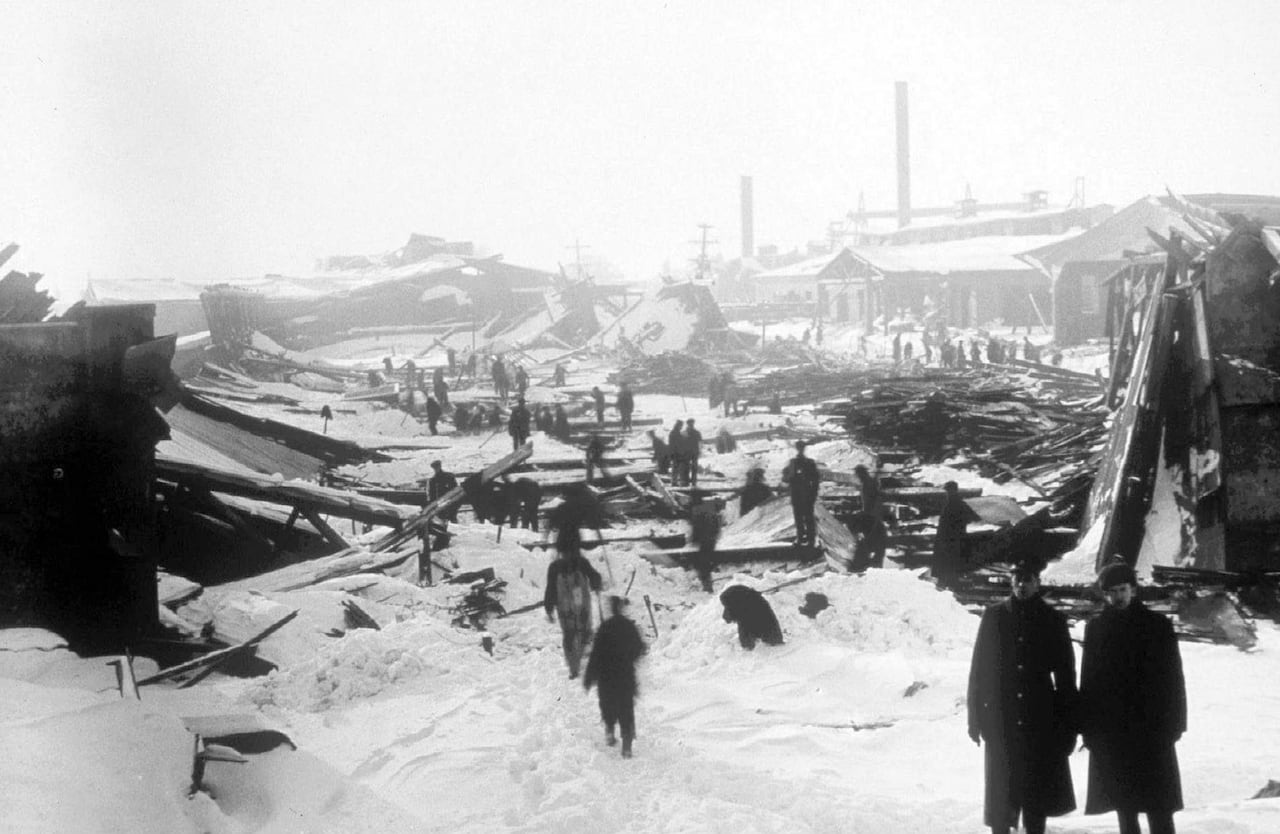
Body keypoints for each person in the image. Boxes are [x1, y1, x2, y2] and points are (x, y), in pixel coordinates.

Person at [967, 561, 1077, 834]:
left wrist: (1069, 726)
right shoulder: (994, 617)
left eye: (1027, 579)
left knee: (1034, 799)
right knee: (1001, 799)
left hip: (1039, 720)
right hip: (1000, 718)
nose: (1021, 585)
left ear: (1037, 582)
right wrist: (975, 717)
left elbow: (1065, 677)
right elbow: (979, 669)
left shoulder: (1052, 620)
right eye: (1017, 579)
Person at [1079, 561, 1186, 834]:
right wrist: (1089, 730)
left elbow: (1174, 678)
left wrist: (1175, 724)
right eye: (1112, 592)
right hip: (1115, 734)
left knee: (1159, 808)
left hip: (1152, 731)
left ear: (1134, 589)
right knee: (1125, 810)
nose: (1118, 597)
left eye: (1123, 590)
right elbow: (1089, 681)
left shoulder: (1157, 625)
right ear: (1105, 594)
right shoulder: (1097, 628)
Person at [583, 596, 647, 758]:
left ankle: (610, 731)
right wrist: (629, 659)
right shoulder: (629, 626)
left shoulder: (604, 627)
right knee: (626, 709)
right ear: (622, 608)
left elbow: (595, 655)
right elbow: (640, 648)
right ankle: (626, 746)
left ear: (611, 609)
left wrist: (589, 677)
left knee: (607, 705)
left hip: (606, 677)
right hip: (625, 675)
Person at [543, 545, 603, 680]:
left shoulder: (575, 564)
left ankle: (576, 665)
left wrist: (549, 607)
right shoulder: (566, 565)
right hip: (571, 607)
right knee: (574, 635)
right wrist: (549, 607)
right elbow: (551, 588)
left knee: (577, 635)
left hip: (574, 607)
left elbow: (593, 575)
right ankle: (575, 667)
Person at [719, 585, 783, 649]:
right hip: (743, 602)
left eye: (727, 607)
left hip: (769, 644)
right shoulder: (748, 603)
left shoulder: (749, 607)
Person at [781, 440, 820, 547]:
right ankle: (808, 538)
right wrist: (814, 493)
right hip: (804, 494)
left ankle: (803, 537)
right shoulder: (807, 462)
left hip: (800, 494)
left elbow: (786, 479)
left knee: (801, 517)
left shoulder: (795, 462)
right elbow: (816, 480)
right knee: (805, 516)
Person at [934, 481, 970, 590]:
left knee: (948, 560)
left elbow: (959, 523)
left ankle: (948, 583)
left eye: (948, 490)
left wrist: (948, 537)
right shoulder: (954, 502)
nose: (947, 493)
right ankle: (948, 582)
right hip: (950, 538)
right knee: (949, 561)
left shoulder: (955, 503)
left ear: (953, 490)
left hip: (951, 538)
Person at [688, 494, 722, 593]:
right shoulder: (708, 513)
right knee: (704, 566)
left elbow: (697, 530)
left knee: (703, 566)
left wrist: (694, 541)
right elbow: (716, 529)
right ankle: (707, 585)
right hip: (708, 543)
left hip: (705, 544)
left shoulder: (700, 514)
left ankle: (708, 588)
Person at [683, 419, 703, 487]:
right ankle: (687, 481)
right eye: (690, 424)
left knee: (693, 467)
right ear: (688, 424)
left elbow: (700, 442)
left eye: (692, 424)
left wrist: (700, 451)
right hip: (688, 452)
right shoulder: (685, 433)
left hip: (693, 452)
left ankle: (692, 482)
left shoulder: (696, 432)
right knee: (687, 467)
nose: (691, 425)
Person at [667, 420, 687, 485]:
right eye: (681, 426)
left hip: (675, 453)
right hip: (678, 453)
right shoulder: (676, 433)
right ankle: (680, 482)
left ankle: (674, 482)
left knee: (675, 468)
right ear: (679, 426)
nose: (681, 427)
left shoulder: (673, 433)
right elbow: (679, 443)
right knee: (680, 468)